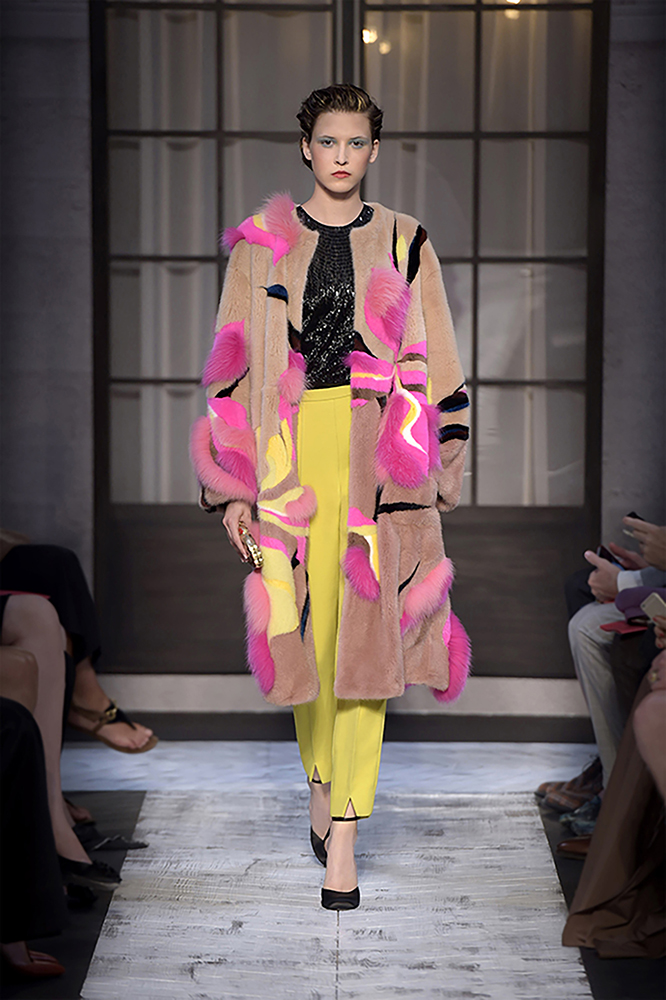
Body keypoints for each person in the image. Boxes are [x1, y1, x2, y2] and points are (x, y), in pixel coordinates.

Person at [190, 85, 470, 911]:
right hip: (288, 452)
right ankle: (319, 775)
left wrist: (441, 471)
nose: (342, 156)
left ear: (374, 151)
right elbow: (231, 366)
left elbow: (443, 361)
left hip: (379, 455)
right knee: (303, 629)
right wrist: (232, 490)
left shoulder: (407, 241)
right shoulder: (260, 246)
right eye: (328, 141)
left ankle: (345, 830)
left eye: (356, 142)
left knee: (368, 639)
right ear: (305, 147)